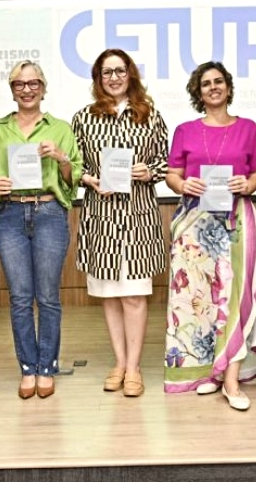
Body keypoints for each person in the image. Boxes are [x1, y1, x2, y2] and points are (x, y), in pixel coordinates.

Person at [163, 61, 256, 411]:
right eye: (205, 84)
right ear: (197, 93)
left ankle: (231, 378)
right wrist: (183, 184)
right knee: (198, 301)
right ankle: (210, 373)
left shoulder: (249, 128)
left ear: (228, 88)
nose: (213, 87)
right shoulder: (185, 130)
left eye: (218, 82)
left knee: (235, 295)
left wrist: (249, 183)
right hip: (194, 224)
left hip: (237, 221)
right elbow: (173, 175)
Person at [0, 60, 82, 400]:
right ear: (11, 89)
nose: (27, 89)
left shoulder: (61, 128)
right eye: (20, 84)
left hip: (49, 211)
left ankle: (47, 366)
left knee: (48, 297)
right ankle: (28, 367)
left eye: (34, 83)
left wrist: (62, 158)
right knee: (20, 297)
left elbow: (74, 178)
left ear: (43, 87)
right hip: (9, 215)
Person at [72, 48, 167, 398]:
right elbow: (72, 164)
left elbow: (167, 162)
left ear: (130, 74)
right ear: (98, 78)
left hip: (138, 215)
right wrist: (88, 179)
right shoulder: (83, 117)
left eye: (119, 70)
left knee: (134, 296)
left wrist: (149, 171)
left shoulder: (150, 115)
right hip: (101, 216)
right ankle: (119, 362)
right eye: (106, 72)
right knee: (109, 296)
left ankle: (135, 367)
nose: (113, 77)